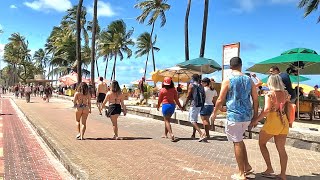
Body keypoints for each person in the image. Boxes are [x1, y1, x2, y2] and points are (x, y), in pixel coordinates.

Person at [211, 57, 258, 180]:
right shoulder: (249, 80)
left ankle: (241, 173)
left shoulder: (228, 80)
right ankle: (246, 166)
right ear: (241, 65)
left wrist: (214, 113)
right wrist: (255, 116)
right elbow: (256, 99)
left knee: (236, 142)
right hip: (247, 116)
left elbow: (220, 99)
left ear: (230, 66)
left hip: (234, 116)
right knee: (240, 140)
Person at [250, 74, 290, 180]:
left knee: (262, 143)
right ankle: (283, 174)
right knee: (281, 149)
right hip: (283, 120)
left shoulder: (270, 94)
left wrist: (255, 120)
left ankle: (269, 168)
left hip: (273, 120)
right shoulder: (285, 93)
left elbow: (267, 110)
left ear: (270, 82)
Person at [157, 77, 183, 142]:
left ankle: (171, 134)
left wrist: (158, 106)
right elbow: (176, 100)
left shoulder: (162, 90)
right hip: (172, 106)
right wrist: (180, 107)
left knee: (166, 121)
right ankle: (165, 134)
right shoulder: (174, 90)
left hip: (165, 105)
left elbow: (159, 100)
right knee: (167, 120)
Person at [182, 74, 207, 142]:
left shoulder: (191, 85)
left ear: (193, 78)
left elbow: (188, 96)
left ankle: (201, 134)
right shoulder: (201, 86)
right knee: (195, 120)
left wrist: (184, 105)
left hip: (194, 104)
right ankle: (193, 134)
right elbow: (204, 95)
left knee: (192, 120)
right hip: (199, 104)